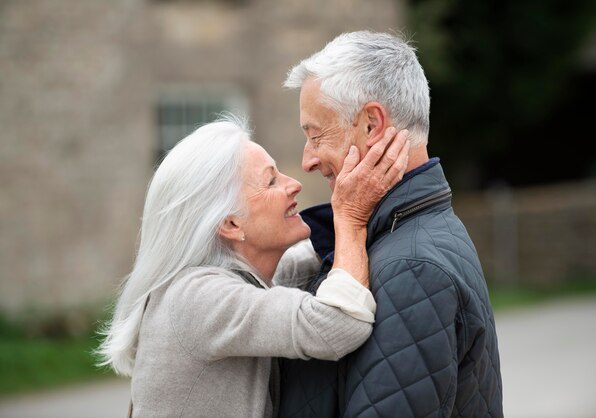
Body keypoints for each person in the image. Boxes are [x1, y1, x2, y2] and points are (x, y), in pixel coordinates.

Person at [96, 114, 409, 417]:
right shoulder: (197, 297)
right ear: (231, 223)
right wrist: (351, 216)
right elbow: (339, 325)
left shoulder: (230, 284)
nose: (294, 184)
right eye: (271, 180)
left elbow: (302, 264)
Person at [278, 31, 503, 417]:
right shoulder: (402, 236)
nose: (308, 161)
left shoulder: (411, 267)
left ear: (371, 125)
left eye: (316, 135)